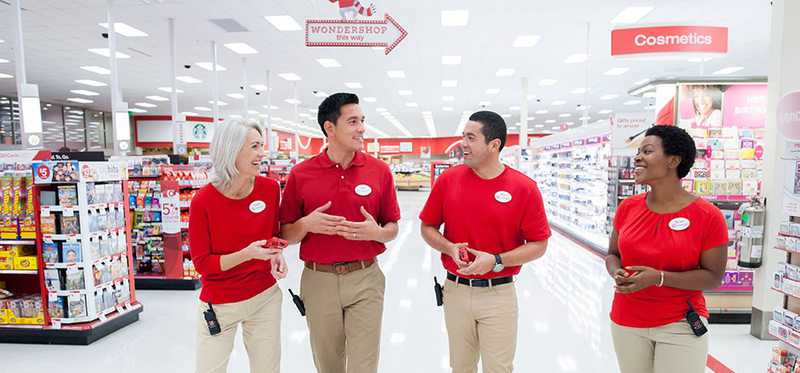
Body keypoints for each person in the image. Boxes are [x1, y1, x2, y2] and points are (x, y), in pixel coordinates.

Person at [419, 111, 550, 373]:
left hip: (498, 294)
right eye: (462, 137)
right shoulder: (448, 180)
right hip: (455, 289)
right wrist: (448, 247)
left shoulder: (523, 188)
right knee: (461, 366)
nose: (463, 144)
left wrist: (497, 260)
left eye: (470, 137)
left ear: (494, 145)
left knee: (498, 368)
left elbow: (539, 244)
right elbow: (427, 227)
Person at [279, 92, 401, 373]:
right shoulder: (301, 174)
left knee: (364, 364)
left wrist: (376, 233)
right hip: (318, 280)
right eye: (353, 121)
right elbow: (285, 234)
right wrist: (306, 225)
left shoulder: (379, 171)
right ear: (329, 128)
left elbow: (392, 227)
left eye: (362, 120)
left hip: (366, 277)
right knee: (328, 363)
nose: (362, 128)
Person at [605, 125, 728, 373]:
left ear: (673, 160)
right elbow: (612, 254)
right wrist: (616, 271)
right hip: (627, 320)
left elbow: (713, 276)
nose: (637, 157)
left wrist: (658, 278)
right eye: (638, 151)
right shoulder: (628, 207)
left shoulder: (707, 216)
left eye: (647, 151)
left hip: (680, 323)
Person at [190, 119, 288, 373]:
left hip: (264, 296)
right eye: (255, 146)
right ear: (231, 150)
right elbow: (203, 264)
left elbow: (271, 235)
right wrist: (246, 255)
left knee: (268, 368)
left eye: (261, 146)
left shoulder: (269, 189)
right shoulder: (203, 201)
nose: (261, 153)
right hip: (220, 303)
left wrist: (276, 254)